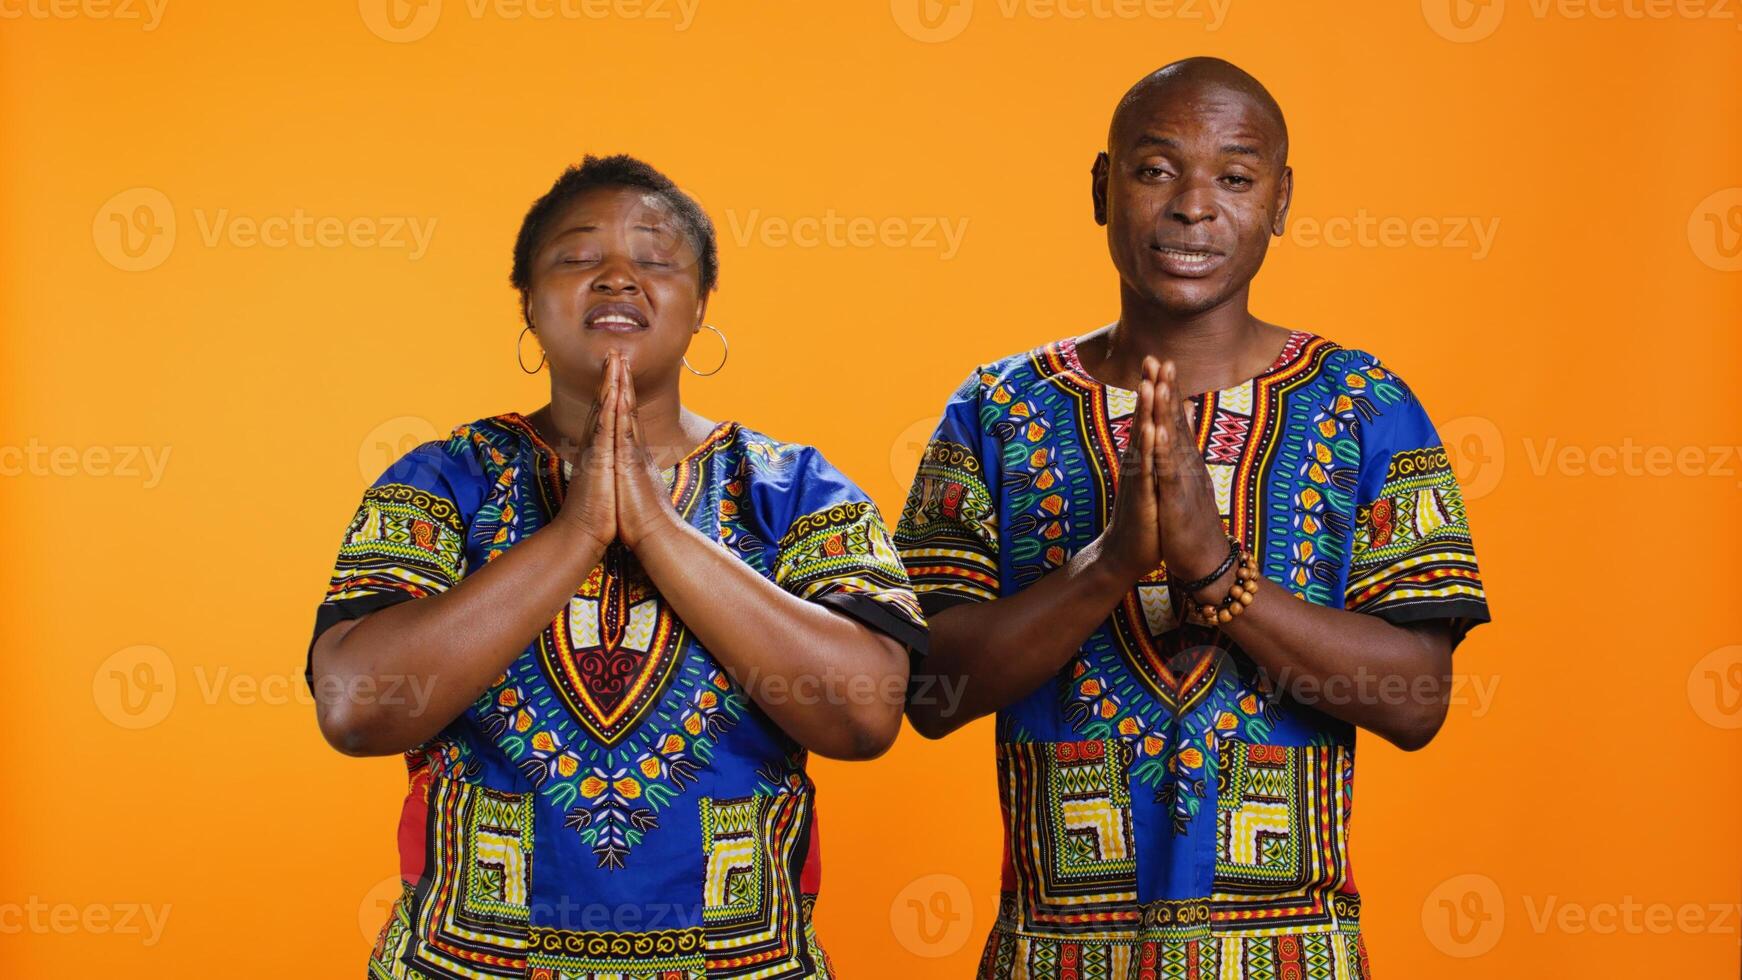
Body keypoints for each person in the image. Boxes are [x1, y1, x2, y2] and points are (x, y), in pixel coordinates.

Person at [896, 58, 1489, 979]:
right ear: (1103, 187)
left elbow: (1417, 704)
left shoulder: (1367, 405)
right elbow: (929, 696)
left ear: (1281, 201)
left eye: (1236, 178)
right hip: (1054, 956)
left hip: (1290, 957)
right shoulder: (997, 410)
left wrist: (1215, 571)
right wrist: (1108, 564)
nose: (1193, 207)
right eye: (1156, 170)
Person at [308, 154, 926, 978]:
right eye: (576, 258)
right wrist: (575, 533)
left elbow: (864, 715)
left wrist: (659, 532)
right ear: (527, 300)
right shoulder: (442, 481)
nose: (616, 279)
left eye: (656, 260)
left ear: (701, 304)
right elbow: (356, 707)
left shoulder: (794, 488)